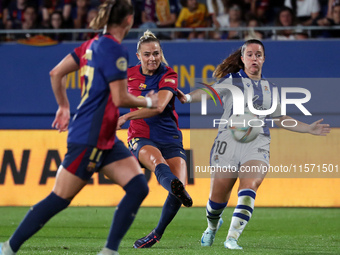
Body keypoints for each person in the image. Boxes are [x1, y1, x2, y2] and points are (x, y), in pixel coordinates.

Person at [0, 1, 159, 255]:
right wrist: (150, 100)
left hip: (104, 137)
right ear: (129, 20)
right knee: (59, 199)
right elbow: (120, 98)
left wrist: (63, 106)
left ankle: (109, 251)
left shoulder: (90, 45)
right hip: (89, 137)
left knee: (138, 187)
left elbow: (56, 73)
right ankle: (8, 247)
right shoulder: (116, 50)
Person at [177, 39, 330, 250]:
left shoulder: (271, 88)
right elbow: (209, 92)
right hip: (227, 143)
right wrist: (186, 97)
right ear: (242, 59)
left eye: (258, 54)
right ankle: (212, 226)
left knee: (249, 187)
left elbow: (280, 118)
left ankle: (232, 238)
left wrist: (307, 128)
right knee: (216, 202)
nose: (254, 58)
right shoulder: (232, 81)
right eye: (249, 54)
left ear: (264, 58)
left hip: (257, 143)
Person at [117, 30, 193, 249]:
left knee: (179, 186)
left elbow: (159, 107)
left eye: (156, 54)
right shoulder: (127, 75)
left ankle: (156, 234)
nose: (152, 58)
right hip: (141, 135)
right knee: (158, 163)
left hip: (169, 136)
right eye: (147, 54)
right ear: (138, 55)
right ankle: (175, 187)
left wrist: (126, 115)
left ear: (161, 54)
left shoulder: (169, 74)